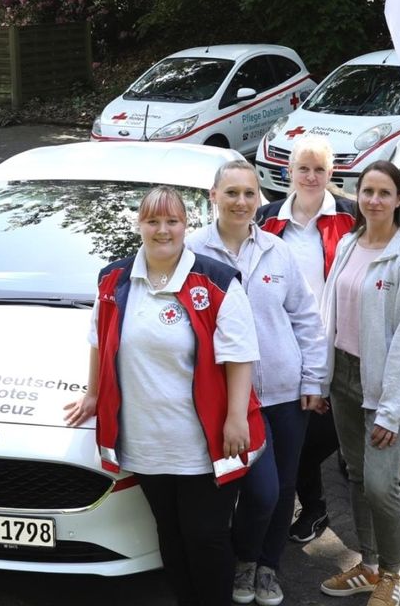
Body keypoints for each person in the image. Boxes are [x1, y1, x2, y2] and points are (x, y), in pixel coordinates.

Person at [67, 186, 265, 606]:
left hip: (205, 441)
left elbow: (241, 355)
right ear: (139, 224)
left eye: (172, 221)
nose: (162, 230)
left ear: (185, 225)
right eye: (153, 221)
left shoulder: (215, 281)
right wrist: (91, 394)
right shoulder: (114, 280)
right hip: (146, 438)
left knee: (206, 537)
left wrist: (234, 418)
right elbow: (99, 341)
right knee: (170, 534)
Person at [188, 161, 325, 606]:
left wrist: (313, 378)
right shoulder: (192, 253)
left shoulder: (276, 250)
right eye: (231, 193)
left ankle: (267, 568)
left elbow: (306, 318)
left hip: (284, 391)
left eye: (249, 194)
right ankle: (245, 557)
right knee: (254, 487)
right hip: (228, 397)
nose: (241, 202)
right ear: (213, 196)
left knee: (283, 486)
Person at [316, 161, 400, 605]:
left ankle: (391, 575)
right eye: (368, 191)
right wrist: (320, 377)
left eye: (385, 193)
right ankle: (366, 565)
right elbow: (329, 315)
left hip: (386, 386)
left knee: (383, 486)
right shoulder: (349, 243)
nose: (374, 200)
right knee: (356, 475)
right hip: (344, 377)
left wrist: (391, 408)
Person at [254, 136, 356, 544]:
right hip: (280, 346)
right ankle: (312, 508)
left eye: (320, 169)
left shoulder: (351, 215)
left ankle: (307, 505)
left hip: (337, 345)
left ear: (332, 174)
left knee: (320, 435)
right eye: (303, 169)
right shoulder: (265, 218)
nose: (311, 177)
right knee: (294, 431)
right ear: (288, 172)